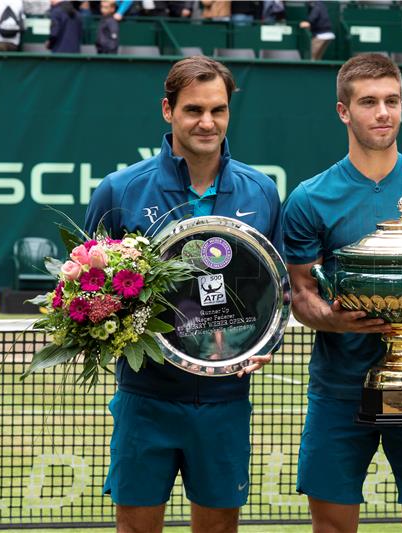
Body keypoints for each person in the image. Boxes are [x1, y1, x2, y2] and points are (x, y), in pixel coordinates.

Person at [84, 56, 284, 533]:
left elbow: (272, 292)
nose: (207, 122)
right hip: (145, 397)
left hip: (225, 399)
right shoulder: (119, 190)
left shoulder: (262, 192)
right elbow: (87, 290)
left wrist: (264, 345)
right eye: (194, 110)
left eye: (218, 110)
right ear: (167, 110)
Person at [282, 53, 402, 533]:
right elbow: (301, 294)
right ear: (344, 111)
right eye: (369, 102)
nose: (383, 112)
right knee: (331, 528)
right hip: (340, 389)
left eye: (392, 101)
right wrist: (334, 319)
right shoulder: (310, 198)